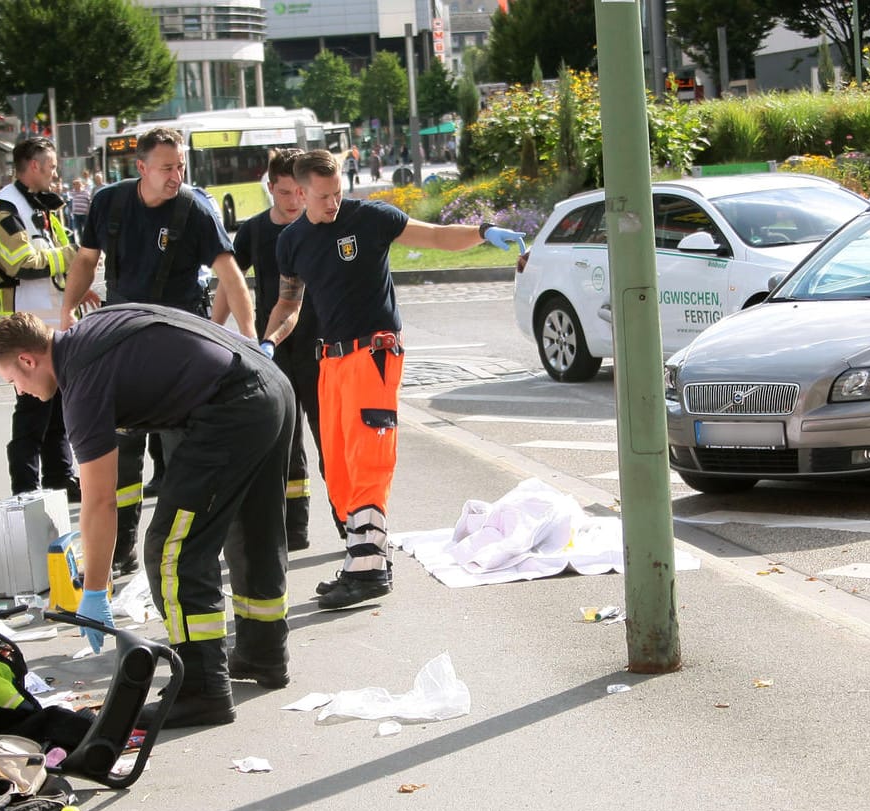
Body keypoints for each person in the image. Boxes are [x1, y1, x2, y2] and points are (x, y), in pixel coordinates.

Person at [0, 305, 295, 727]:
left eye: (13, 381)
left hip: (234, 404)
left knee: (171, 551)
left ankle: (203, 690)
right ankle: (263, 652)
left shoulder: (82, 381)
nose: (19, 391)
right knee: (252, 529)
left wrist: (93, 591)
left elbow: (99, 500)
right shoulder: (88, 335)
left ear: (27, 360)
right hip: (268, 383)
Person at [268, 150, 526, 610]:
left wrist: (485, 232)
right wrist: (267, 342)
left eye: (338, 193)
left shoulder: (369, 218)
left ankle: (366, 573)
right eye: (323, 196)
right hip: (331, 361)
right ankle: (367, 558)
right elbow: (289, 305)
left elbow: (435, 237)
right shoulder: (292, 241)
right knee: (340, 468)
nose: (333, 203)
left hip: (375, 353)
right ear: (300, 192)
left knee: (369, 457)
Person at [60, 126, 257, 577]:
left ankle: (183, 552)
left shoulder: (195, 209)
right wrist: (66, 310)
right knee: (121, 456)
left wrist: (249, 338)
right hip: (122, 345)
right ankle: (118, 551)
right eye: (167, 167)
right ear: (142, 168)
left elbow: (230, 276)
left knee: (181, 454)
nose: (176, 174)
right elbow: (87, 260)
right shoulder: (109, 202)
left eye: (181, 165)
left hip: (177, 352)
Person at [216, 149, 322, 553]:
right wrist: (216, 327)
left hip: (319, 345)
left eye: (299, 192)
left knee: (327, 441)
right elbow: (231, 280)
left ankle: (350, 528)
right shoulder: (256, 231)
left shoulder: (319, 226)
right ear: (270, 187)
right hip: (273, 348)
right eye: (284, 193)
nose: (293, 202)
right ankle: (294, 528)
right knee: (285, 441)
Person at [0, 137, 93, 499]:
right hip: (22, 330)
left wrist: (77, 288)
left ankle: (61, 478)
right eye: (51, 166)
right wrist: (74, 255)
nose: (56, 174)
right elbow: (21, 263)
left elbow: (56, 261)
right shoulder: (5, 208)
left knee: (58, 408)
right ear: (33, 166)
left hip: (51, 326)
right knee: (31, 413)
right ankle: (25, 489)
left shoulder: (40, 207)